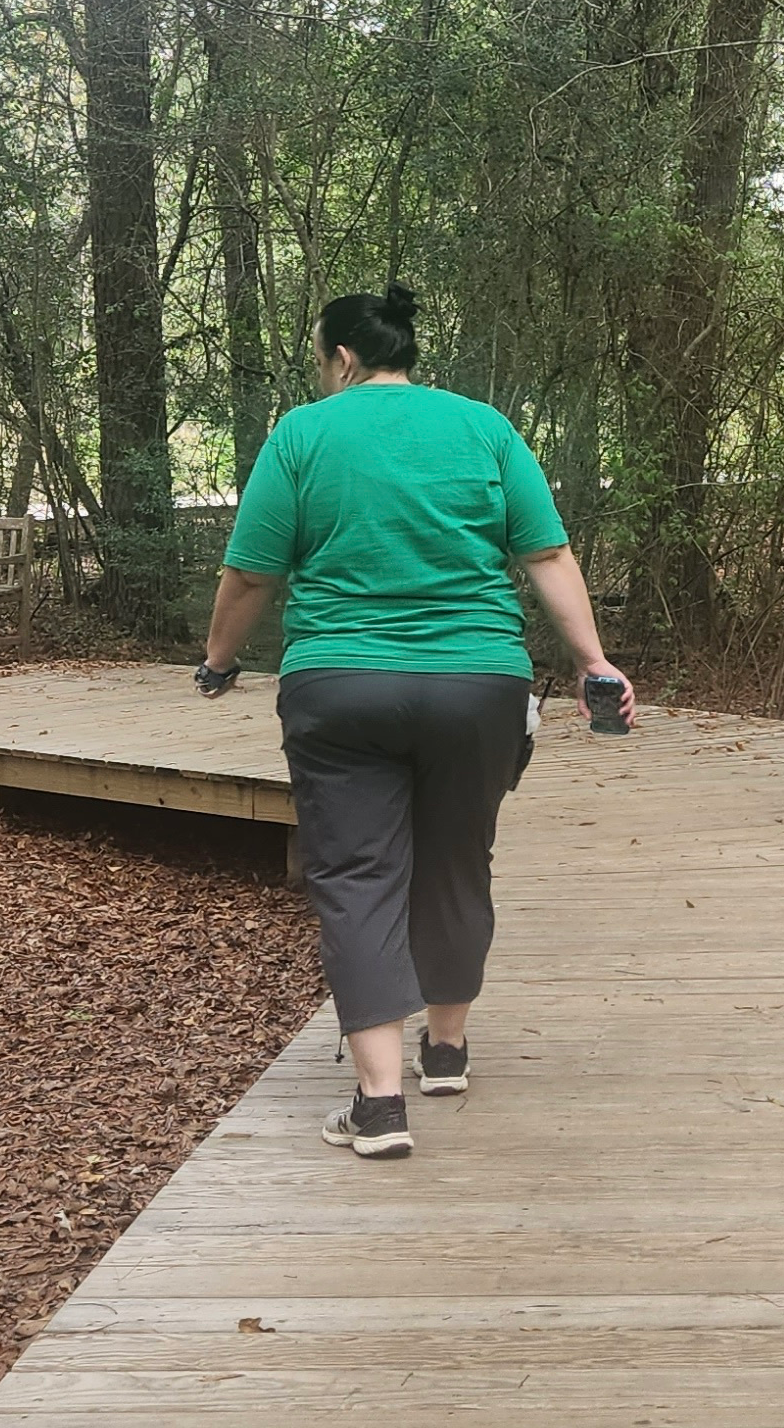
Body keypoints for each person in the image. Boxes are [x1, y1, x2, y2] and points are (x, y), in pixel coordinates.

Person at [194, 282, 633, 1161]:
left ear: (343, 359)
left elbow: (251, 575)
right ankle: (447, 1049)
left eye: (322, 360)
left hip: (340, 686)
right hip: (477, 686)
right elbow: (545, 551)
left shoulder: (303, 434)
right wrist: (594, 661)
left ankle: (380, 1104)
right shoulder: (483, 428)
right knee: (458, 862)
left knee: (357, 877)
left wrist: (218, 660)